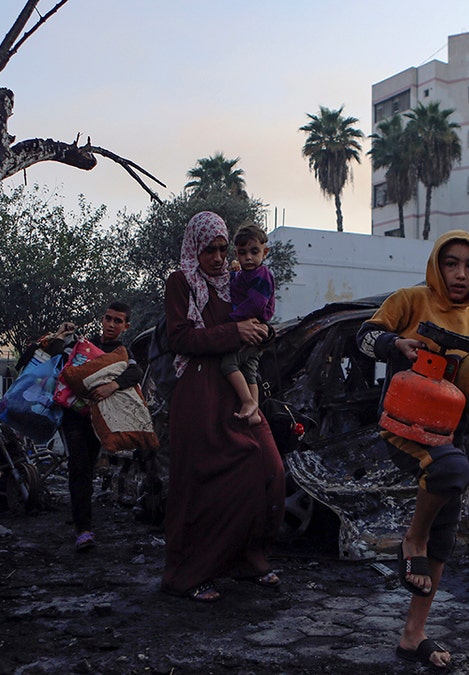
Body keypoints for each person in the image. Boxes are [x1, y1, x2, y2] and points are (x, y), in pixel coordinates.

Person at [356, 230, 469, 669]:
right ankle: (410, 540)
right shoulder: (410, 300)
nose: (460, 273)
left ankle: (412, 635)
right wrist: (393, 343)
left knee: (447, 530)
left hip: (447, 435)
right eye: (452, 263)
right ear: (438, 264)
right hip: (402, 427)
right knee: (452, 471)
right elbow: (361, 338)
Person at [160, 211, 285, 603]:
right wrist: (235, 332)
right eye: (208, 249)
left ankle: (247, 558)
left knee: (270, 469)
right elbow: (180, 338)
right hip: (200, 395)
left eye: (220, 248)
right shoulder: (181, 283)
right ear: (194, 249)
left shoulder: (234, 281)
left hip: (238, 392)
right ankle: (190, 574)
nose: (216, 257)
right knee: (205, 484)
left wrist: (263, 331)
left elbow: (255, 315)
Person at [36, 301, 141, 552]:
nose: (111, 324)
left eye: (118, 321)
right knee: (79, 465)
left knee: (87, 466)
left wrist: (111, 386)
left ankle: (82, 520)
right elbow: (56, 351)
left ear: (126, 326)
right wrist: (61, 333)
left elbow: (135, 374)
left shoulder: (123, 353)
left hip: (98, 418)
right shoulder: (83, 344)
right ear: (102, 319)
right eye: (108, 318)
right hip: (73, 414)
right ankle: (83, 529)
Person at [221, 223, 275, 424]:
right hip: (254, 329)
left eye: (254, 252)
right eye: (243, 253)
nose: (249, 258)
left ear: (265, 252)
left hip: (251, 325)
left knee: (228, 363)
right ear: (237, 253)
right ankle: (254, 412)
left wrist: (231, 320)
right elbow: (238, 284)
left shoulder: (262, 275)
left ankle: (247, 402)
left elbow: (255, 303)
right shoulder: (246, 274)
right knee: (249, 369)